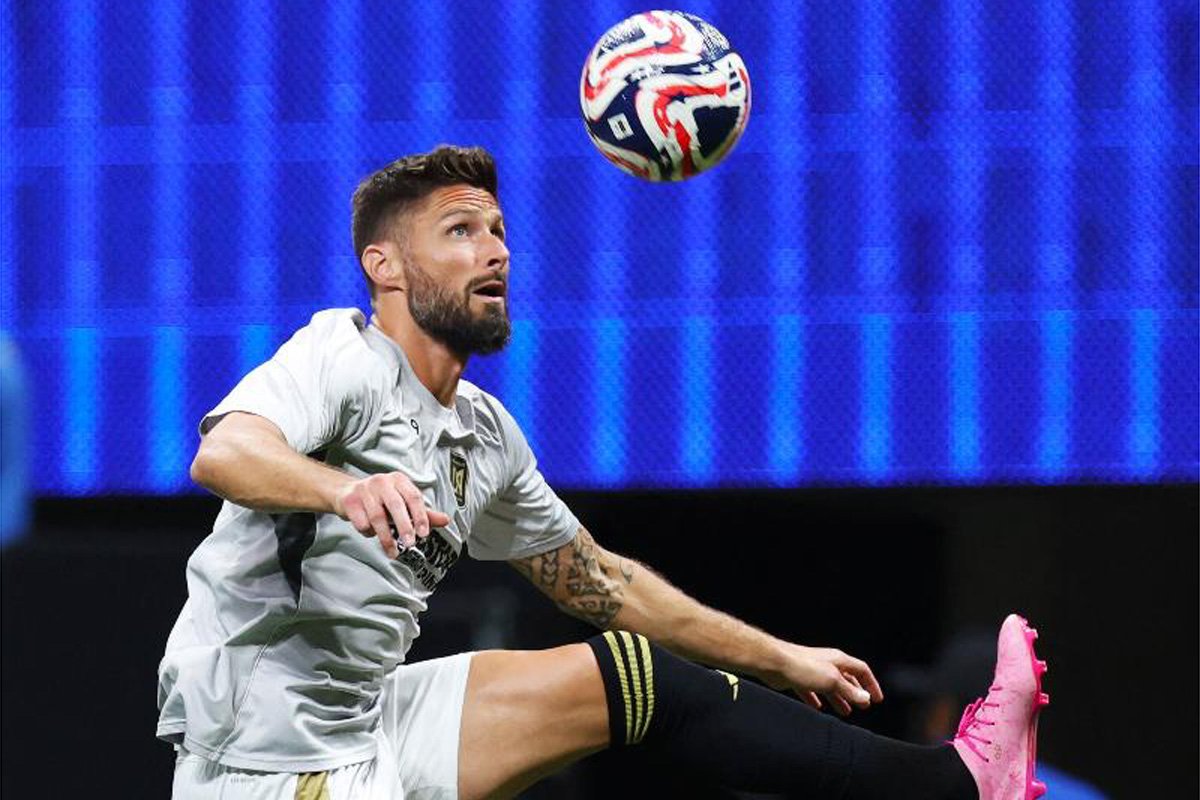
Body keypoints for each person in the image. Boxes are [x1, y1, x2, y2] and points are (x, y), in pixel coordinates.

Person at [158, 145, 1047, 800]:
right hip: (262, 766)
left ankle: (961, 784)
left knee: (633, 672)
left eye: (498, 231)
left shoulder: (485, 437)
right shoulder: (341, 357)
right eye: (460, 231)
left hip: (365, 718)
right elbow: (225, 450)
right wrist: (341, 488)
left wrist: (780, 658)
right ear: (382, 267)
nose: (496, 251)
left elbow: (605, 584)